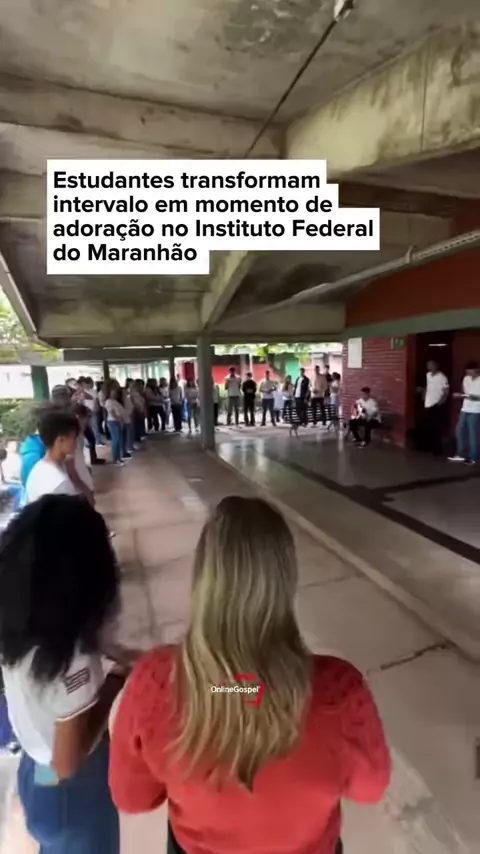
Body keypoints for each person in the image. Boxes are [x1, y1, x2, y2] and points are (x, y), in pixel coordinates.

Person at [110, 496, 391, 854]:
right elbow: (370, 789)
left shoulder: (156, 683)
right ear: (285, 580)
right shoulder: (340, 691)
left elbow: (133, 797)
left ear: (205, 579)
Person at [0, 495, 126, 853]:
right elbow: (67, 763)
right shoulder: (72, 660)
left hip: (36, 772)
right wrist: (113, 683)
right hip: (74, 793)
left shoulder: (15, 629)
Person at [25, 411, 80, 503]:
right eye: (74, 437)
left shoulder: (38, 468)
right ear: (61, 440)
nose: (76, 443)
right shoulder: (60, 484)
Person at [448, 361, 480, 465]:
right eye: (467, 371)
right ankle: (461, 454)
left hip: (476, 410)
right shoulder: (466, 379)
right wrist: (462, 395)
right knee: (459, 431)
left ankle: (473, 457)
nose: (469, 373)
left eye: (471, 371)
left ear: (476, 370)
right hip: (465, 408)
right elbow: (465, 392)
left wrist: (465, 396)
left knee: (473, 434)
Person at [419, 360, 449, 456]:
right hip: (427, 404)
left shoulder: (442, 377)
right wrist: (423, 395)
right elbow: (427, 387)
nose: (429, 367)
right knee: (427, 427)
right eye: (428, 365)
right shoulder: (428, 375)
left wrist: (439, 404)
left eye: (431, 365)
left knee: (436, 428)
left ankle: (437, 449)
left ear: (436, 365)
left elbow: (446, 392)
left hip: (436, 405)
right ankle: (428, 447)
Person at [105, 382, 128, 466]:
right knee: (116, 440)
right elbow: (112, 412)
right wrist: (118, 419)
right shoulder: (108, 401)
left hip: (117, 421)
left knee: (119, 439)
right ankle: (115, 459)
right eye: (113, 391)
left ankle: (118, 458)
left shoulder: (114, 401)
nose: (115, 393)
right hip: (113, 421)